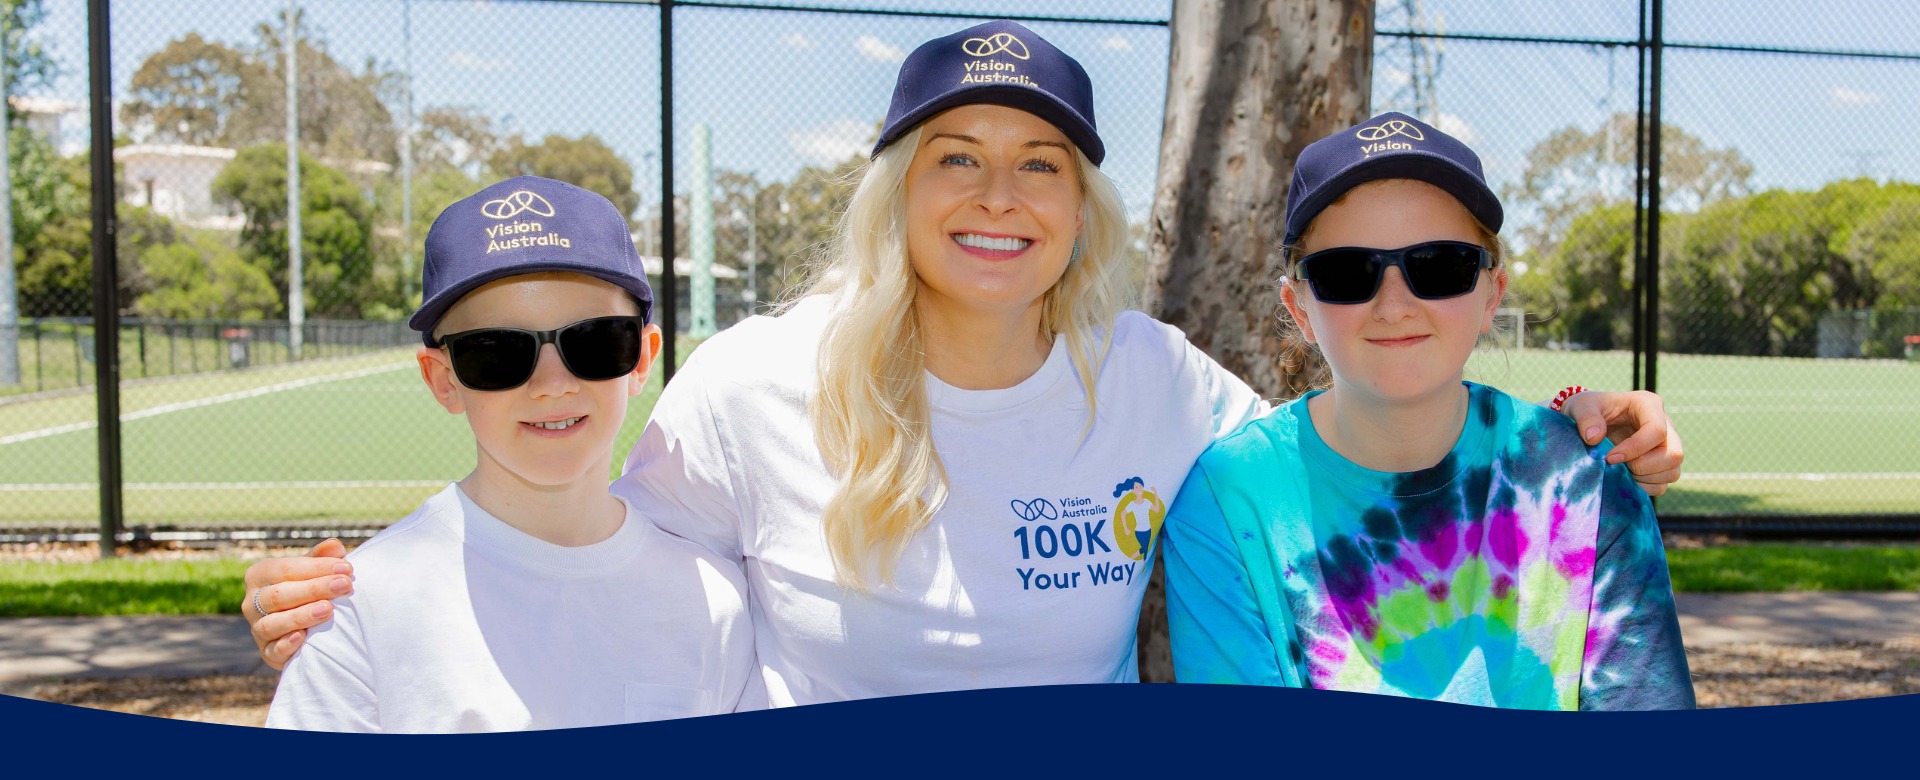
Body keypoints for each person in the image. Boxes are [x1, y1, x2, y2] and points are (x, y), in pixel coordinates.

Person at [242, 21, 1684, 707]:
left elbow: (1373, 427)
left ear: (1080, 207)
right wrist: (380, 603)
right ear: (897, 190)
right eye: (959, 159)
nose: (1000, 197)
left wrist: (1573, 423)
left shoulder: (1152, 378)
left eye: (1039, 164)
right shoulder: (754, 383)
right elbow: (593, 561)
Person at [1161, 113, 1694, 710]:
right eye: (1347, 272)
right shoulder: (1225, 503)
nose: (1395, 305)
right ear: (1300, 307)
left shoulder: (1587, 484)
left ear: (1492, 294)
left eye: (1439, 266)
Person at [264, 176, 757, 732]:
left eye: (594, 341)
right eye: (495, 352)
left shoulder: (714, 604)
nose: (552, 384)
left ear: (642, 357)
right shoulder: (362, 609)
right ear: (442, 379)